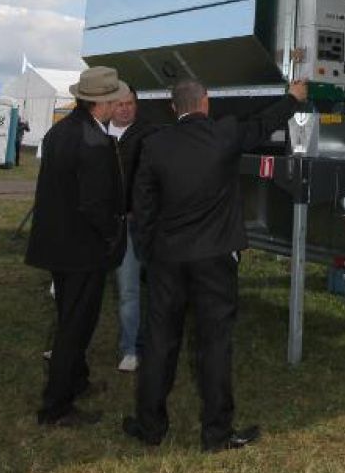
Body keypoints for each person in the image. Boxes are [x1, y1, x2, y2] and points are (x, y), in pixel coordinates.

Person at [122, 78, 308, 452]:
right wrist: (293, 97)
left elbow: (142, 209)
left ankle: (151, 427)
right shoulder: (223, 135)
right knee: (215, 343)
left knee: (160, 343)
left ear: (175, 108)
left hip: (167, 259)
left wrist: (149, 252)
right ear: (205, 103)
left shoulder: (154, 145)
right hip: (215, 259)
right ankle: (216, 433)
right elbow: (262, 122)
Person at [26, 66, 129, 427]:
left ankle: (77, 380)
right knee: (76, 325)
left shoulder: (60, 132)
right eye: (115, 98)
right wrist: (111, 234)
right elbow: (94, 204)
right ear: (102, 103)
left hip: (58, 244)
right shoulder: (94, 141)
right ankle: (56, 406)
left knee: (71, 315)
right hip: (82, 249)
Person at [109, 86, 160, 372]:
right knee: (127, 290)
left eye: (130, 104)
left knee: (155, 287)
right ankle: (130, 348)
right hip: (113, 225)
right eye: (120, 104)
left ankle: (152, 344)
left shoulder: (150, 134)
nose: (125, 109)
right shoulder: (99, 134)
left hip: (144, 224)